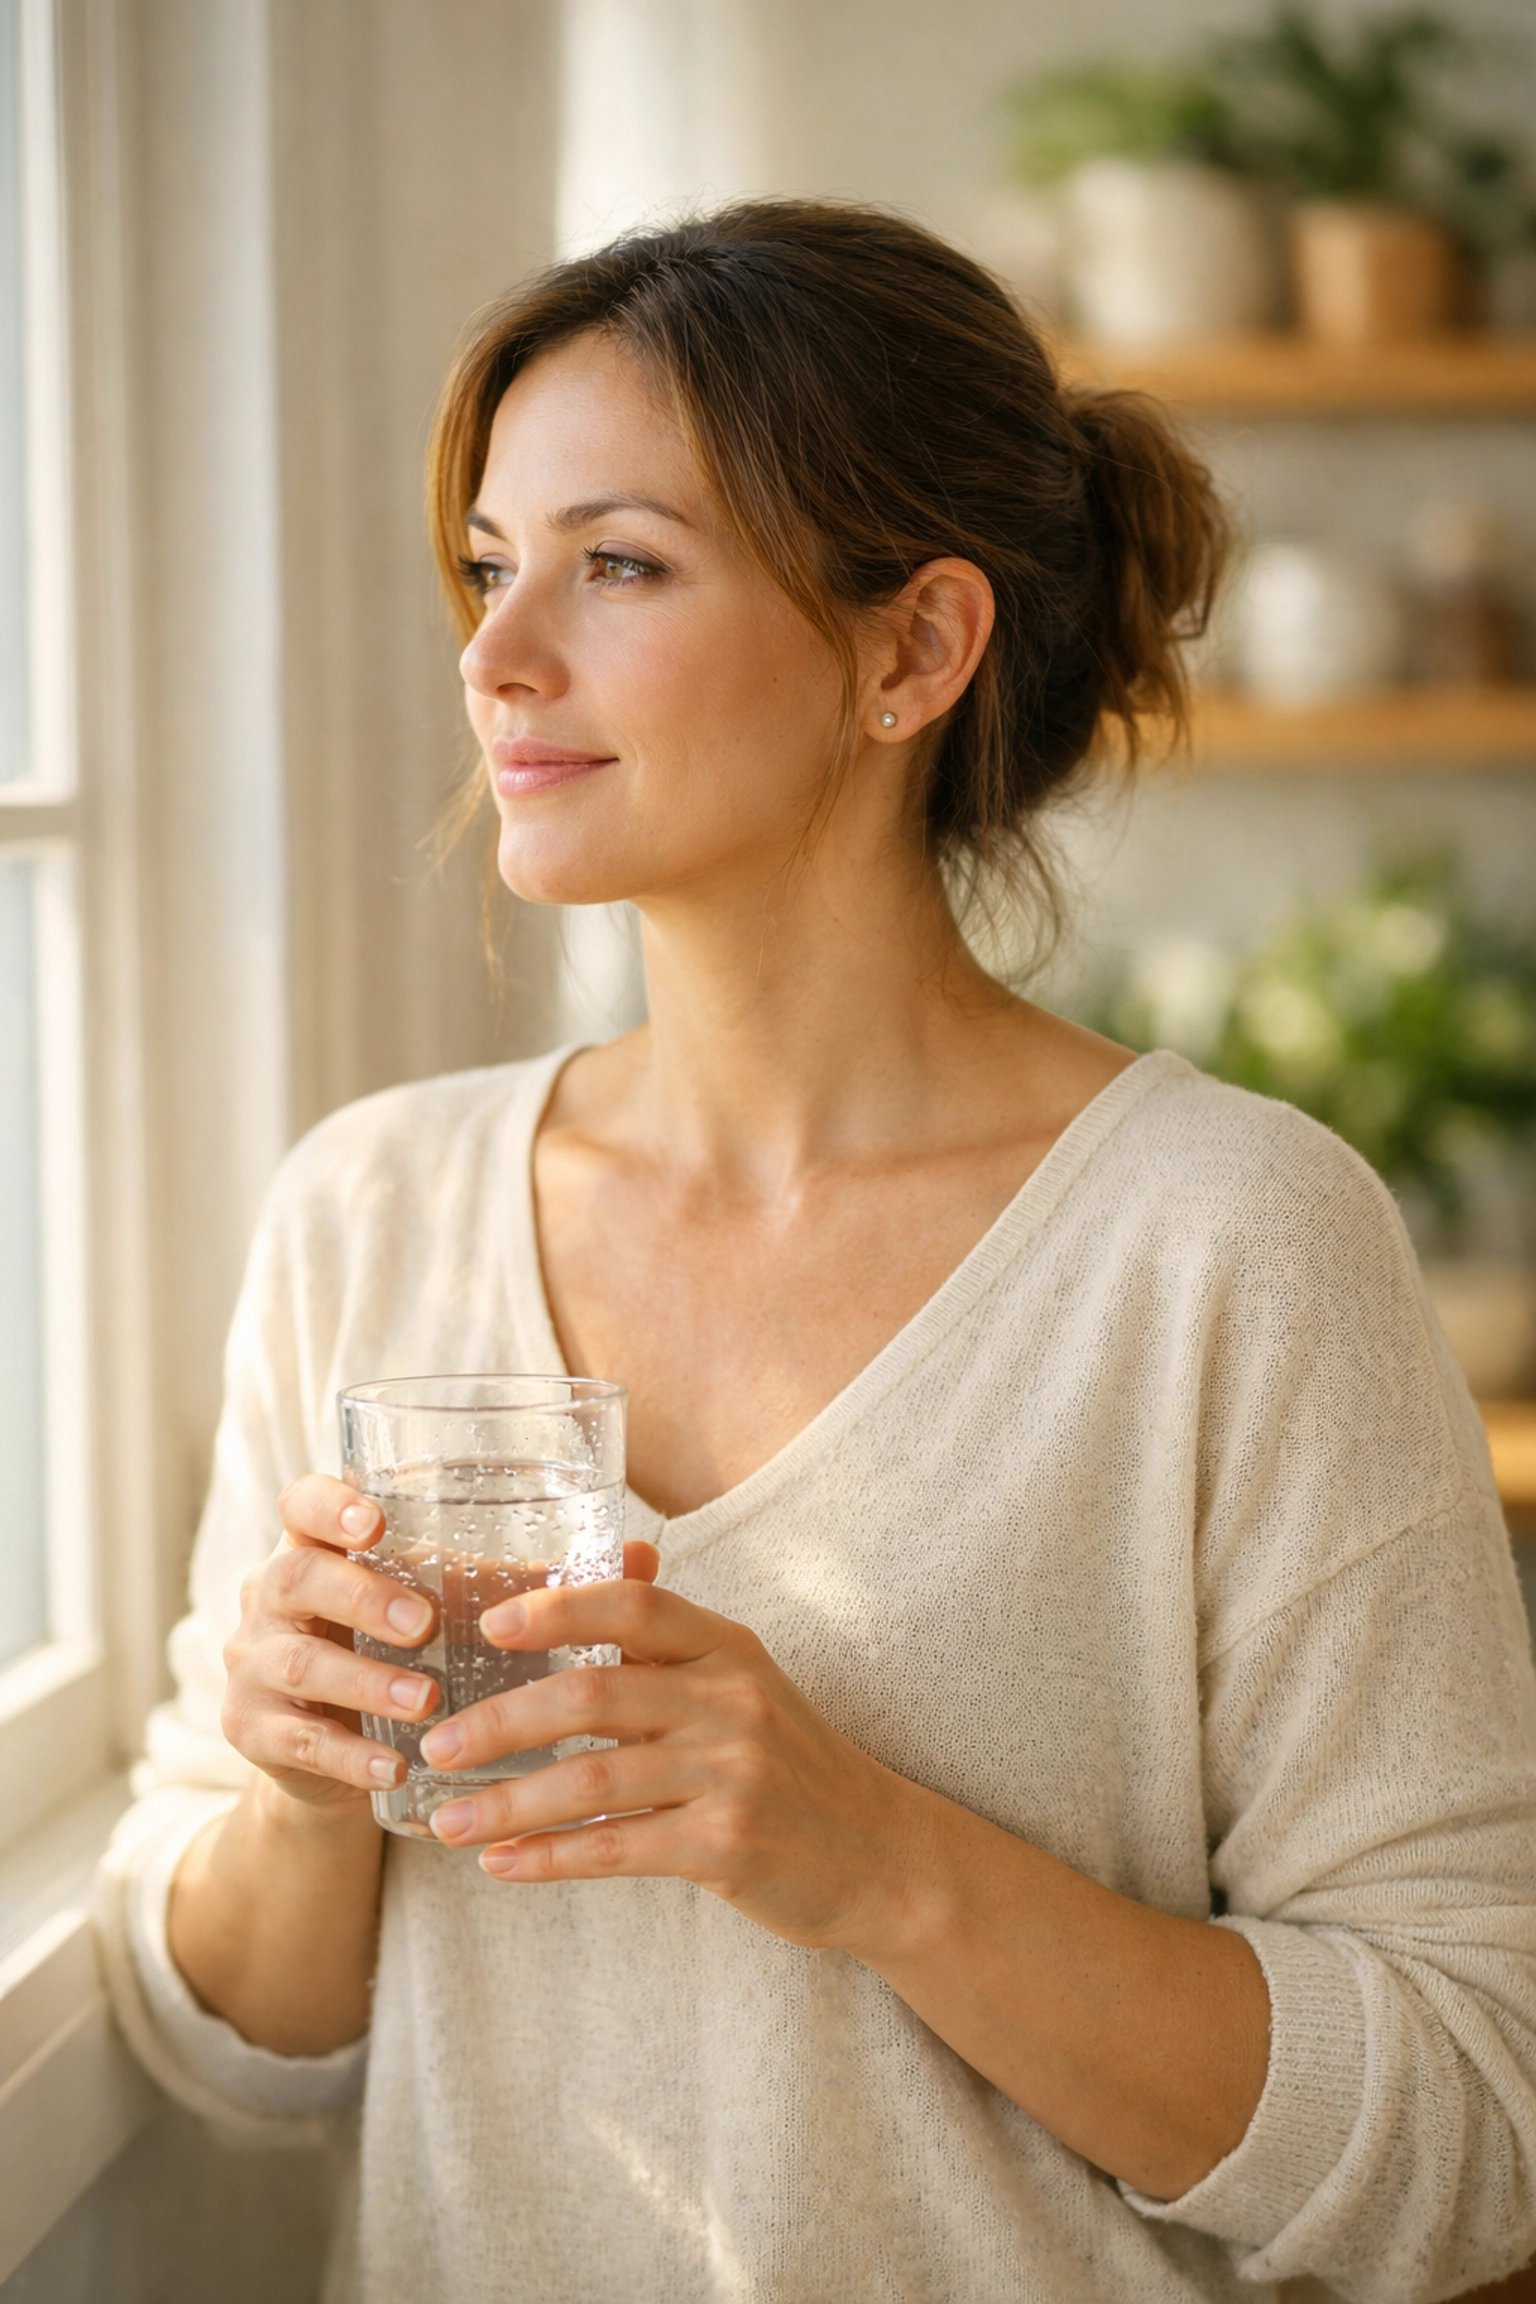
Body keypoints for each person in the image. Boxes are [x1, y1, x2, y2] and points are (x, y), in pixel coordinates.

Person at [98, 201, 1536, 2303]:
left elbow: (1480, 2131)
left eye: (619, 564)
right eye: (494, 568)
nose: (496, 656)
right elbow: (245, 2043)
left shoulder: (1231, 1245)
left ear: (910, 651)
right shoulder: (369, 1210)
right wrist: (304, 1796)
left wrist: (870, 1856)